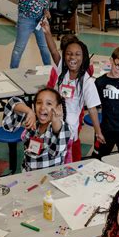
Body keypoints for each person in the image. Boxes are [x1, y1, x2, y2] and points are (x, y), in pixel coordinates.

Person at [41, 22, 104, 161]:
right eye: (68, 54)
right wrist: (47, 32)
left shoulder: (87, 82)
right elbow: (53, 52)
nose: (72, 58)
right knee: (54, 152)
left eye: (77, 54)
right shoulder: (62, 71)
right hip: (55, 121)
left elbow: (93, 110)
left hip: (71, 126)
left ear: (84, 57)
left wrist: (98, 132)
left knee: (70, 157)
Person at [2, 88, 71, 171]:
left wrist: (55, 120)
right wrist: (29, 111)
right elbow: (12, 102)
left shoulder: (57, 126)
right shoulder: (33, 123)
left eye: (49, 103)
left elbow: (58, 134)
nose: (42, 107)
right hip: (29, 175)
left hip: (48, 178)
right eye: (39, 102)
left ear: (58, 107)